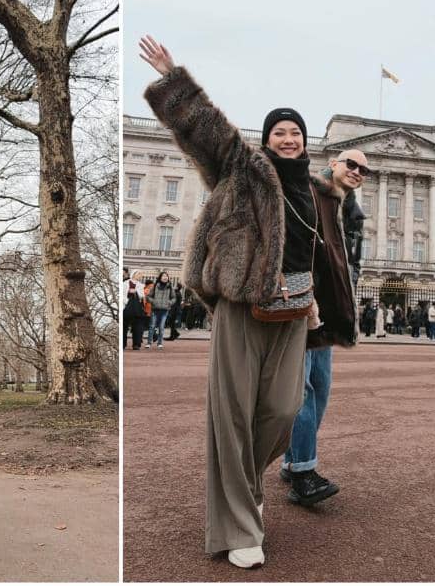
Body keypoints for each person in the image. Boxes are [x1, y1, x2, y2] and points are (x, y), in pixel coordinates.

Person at [140, 35, 317, 569]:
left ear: (306, 144)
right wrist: (175, 79)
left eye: (296, 133)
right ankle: (240, 526)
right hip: (242, 306)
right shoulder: (245, 170)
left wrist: (315, 304)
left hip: (293, 312)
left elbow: (319, 254)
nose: (288, 139)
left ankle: (244, 483)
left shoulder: (313, 188)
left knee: (284, 411)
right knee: (232, 416)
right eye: (279, 133)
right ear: (266, 140)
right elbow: (207, 134)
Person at [280, 148, 369, 506]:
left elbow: (351, 260)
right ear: (333, 164)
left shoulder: (350, 211)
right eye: (351, 164)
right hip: (304, 302)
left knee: (321, 388)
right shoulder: (310, 192)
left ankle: (292, 459)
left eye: (364, 169)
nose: (357, 171)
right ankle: (302, 470)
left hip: (330, 310)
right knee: (299, 389)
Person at [147, 271, 175, 349]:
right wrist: (153, 302)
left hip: (165, 309)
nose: (165, 277)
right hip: (155, 309)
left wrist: (169, 303)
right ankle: (149, 342)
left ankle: (160, 343)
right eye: (163, 276)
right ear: (160, 277)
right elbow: (148, 296)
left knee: (161, 327)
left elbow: (174, 298)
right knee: (152, 326)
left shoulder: (170, 287)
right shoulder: (155, 286)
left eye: (166, 276)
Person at [122, 270, 146, 350]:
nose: (140, 275)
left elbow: (142, 296)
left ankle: (136, 344)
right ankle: (123, 343)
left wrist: (136, 291)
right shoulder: (125, 283)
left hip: (137, 307)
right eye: (139, 274)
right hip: (127, 306)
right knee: (124, 326)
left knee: (138, 326)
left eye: (141, 274)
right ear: (134, 274)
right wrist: (129, 292)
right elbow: (123, 294)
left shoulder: (141, 285)